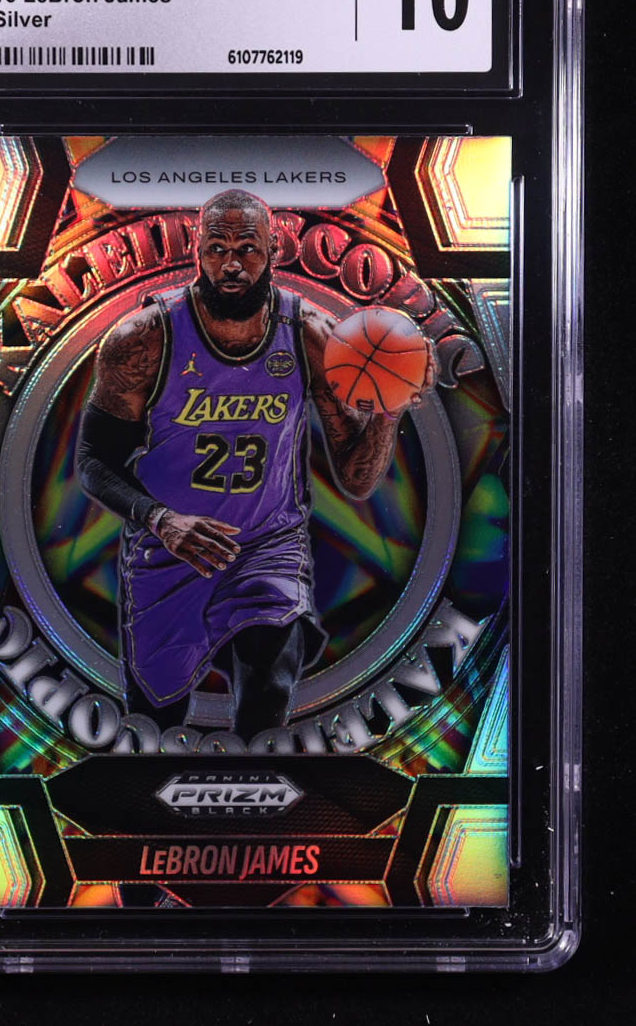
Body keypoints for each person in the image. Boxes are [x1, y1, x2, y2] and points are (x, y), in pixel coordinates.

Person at [76, 189, 435, 740]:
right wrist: (161, 520)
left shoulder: (310, 334)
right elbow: (93, 460)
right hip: (170, 549)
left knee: (270, 669)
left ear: (275, 250)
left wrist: (389, 410)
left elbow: (357, 480)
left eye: (247, 248)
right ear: (197, 251)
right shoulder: (144, 339)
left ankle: (258, 782)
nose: (231, 264)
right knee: (155, 723)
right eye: (217, 249)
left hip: (268, 543)